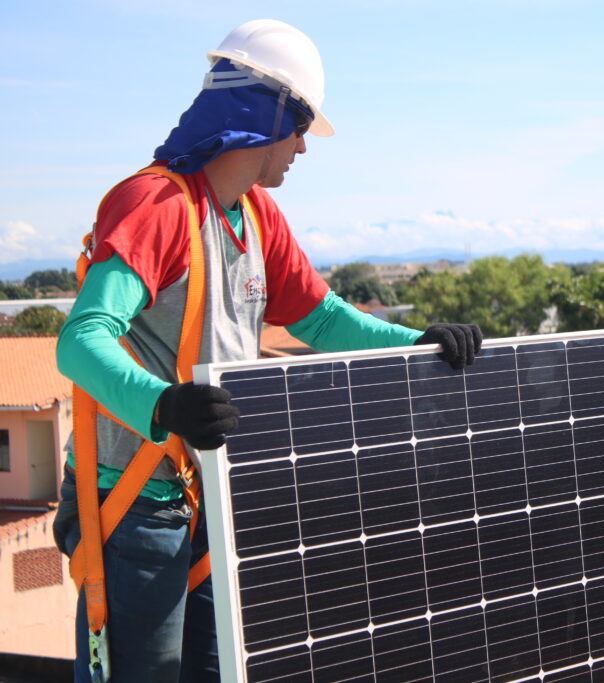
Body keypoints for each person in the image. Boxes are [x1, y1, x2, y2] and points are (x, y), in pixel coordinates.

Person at [53, 19, 482, 682]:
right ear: (266, 115)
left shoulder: (256, 216)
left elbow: (325, 320)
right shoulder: (157, 204)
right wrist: (162, 404)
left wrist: (419, 343)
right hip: (134, 509)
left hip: (208, 498)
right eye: (301, 126)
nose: (304, 149)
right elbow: (80, 341)